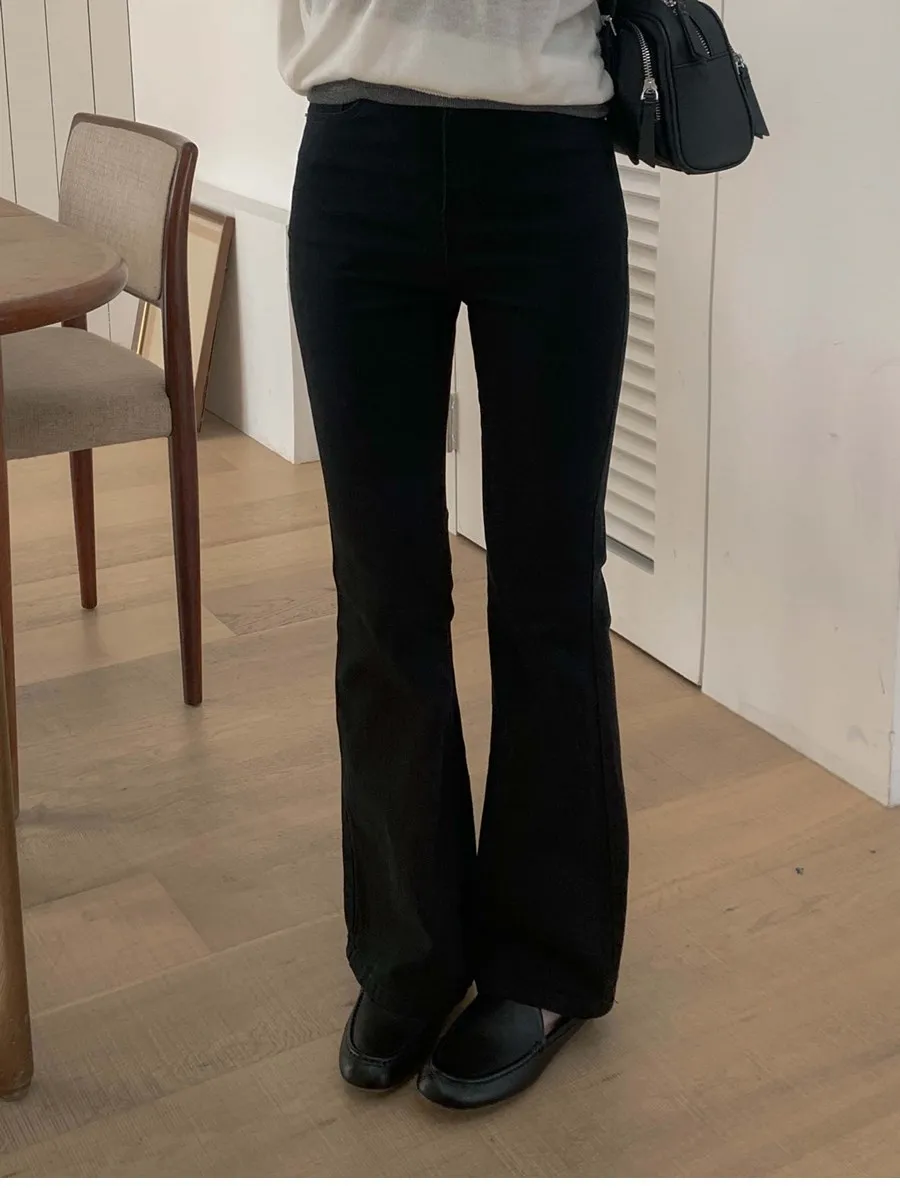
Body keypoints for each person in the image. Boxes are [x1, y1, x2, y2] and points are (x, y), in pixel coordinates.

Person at [279, 0, 630, 1111]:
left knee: (548, 585)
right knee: (381, 586)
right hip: (357, 142)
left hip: (547, 148)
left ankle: (546, 961)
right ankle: (409, 948)